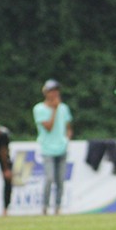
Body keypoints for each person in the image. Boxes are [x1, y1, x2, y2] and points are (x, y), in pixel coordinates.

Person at [33, 78, 72, 215]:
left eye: (56, 90)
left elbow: (68, 126)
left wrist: (67, 139)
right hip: (47, 149)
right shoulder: (39, 109)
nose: (55, 94)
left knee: (61, 180)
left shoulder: (64, 108)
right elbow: (48, 127)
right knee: (49, 178)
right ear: (46, 93)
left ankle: (58, 207)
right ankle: (45, 206)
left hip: (62, 148)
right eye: (52, 91)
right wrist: (54, 109)